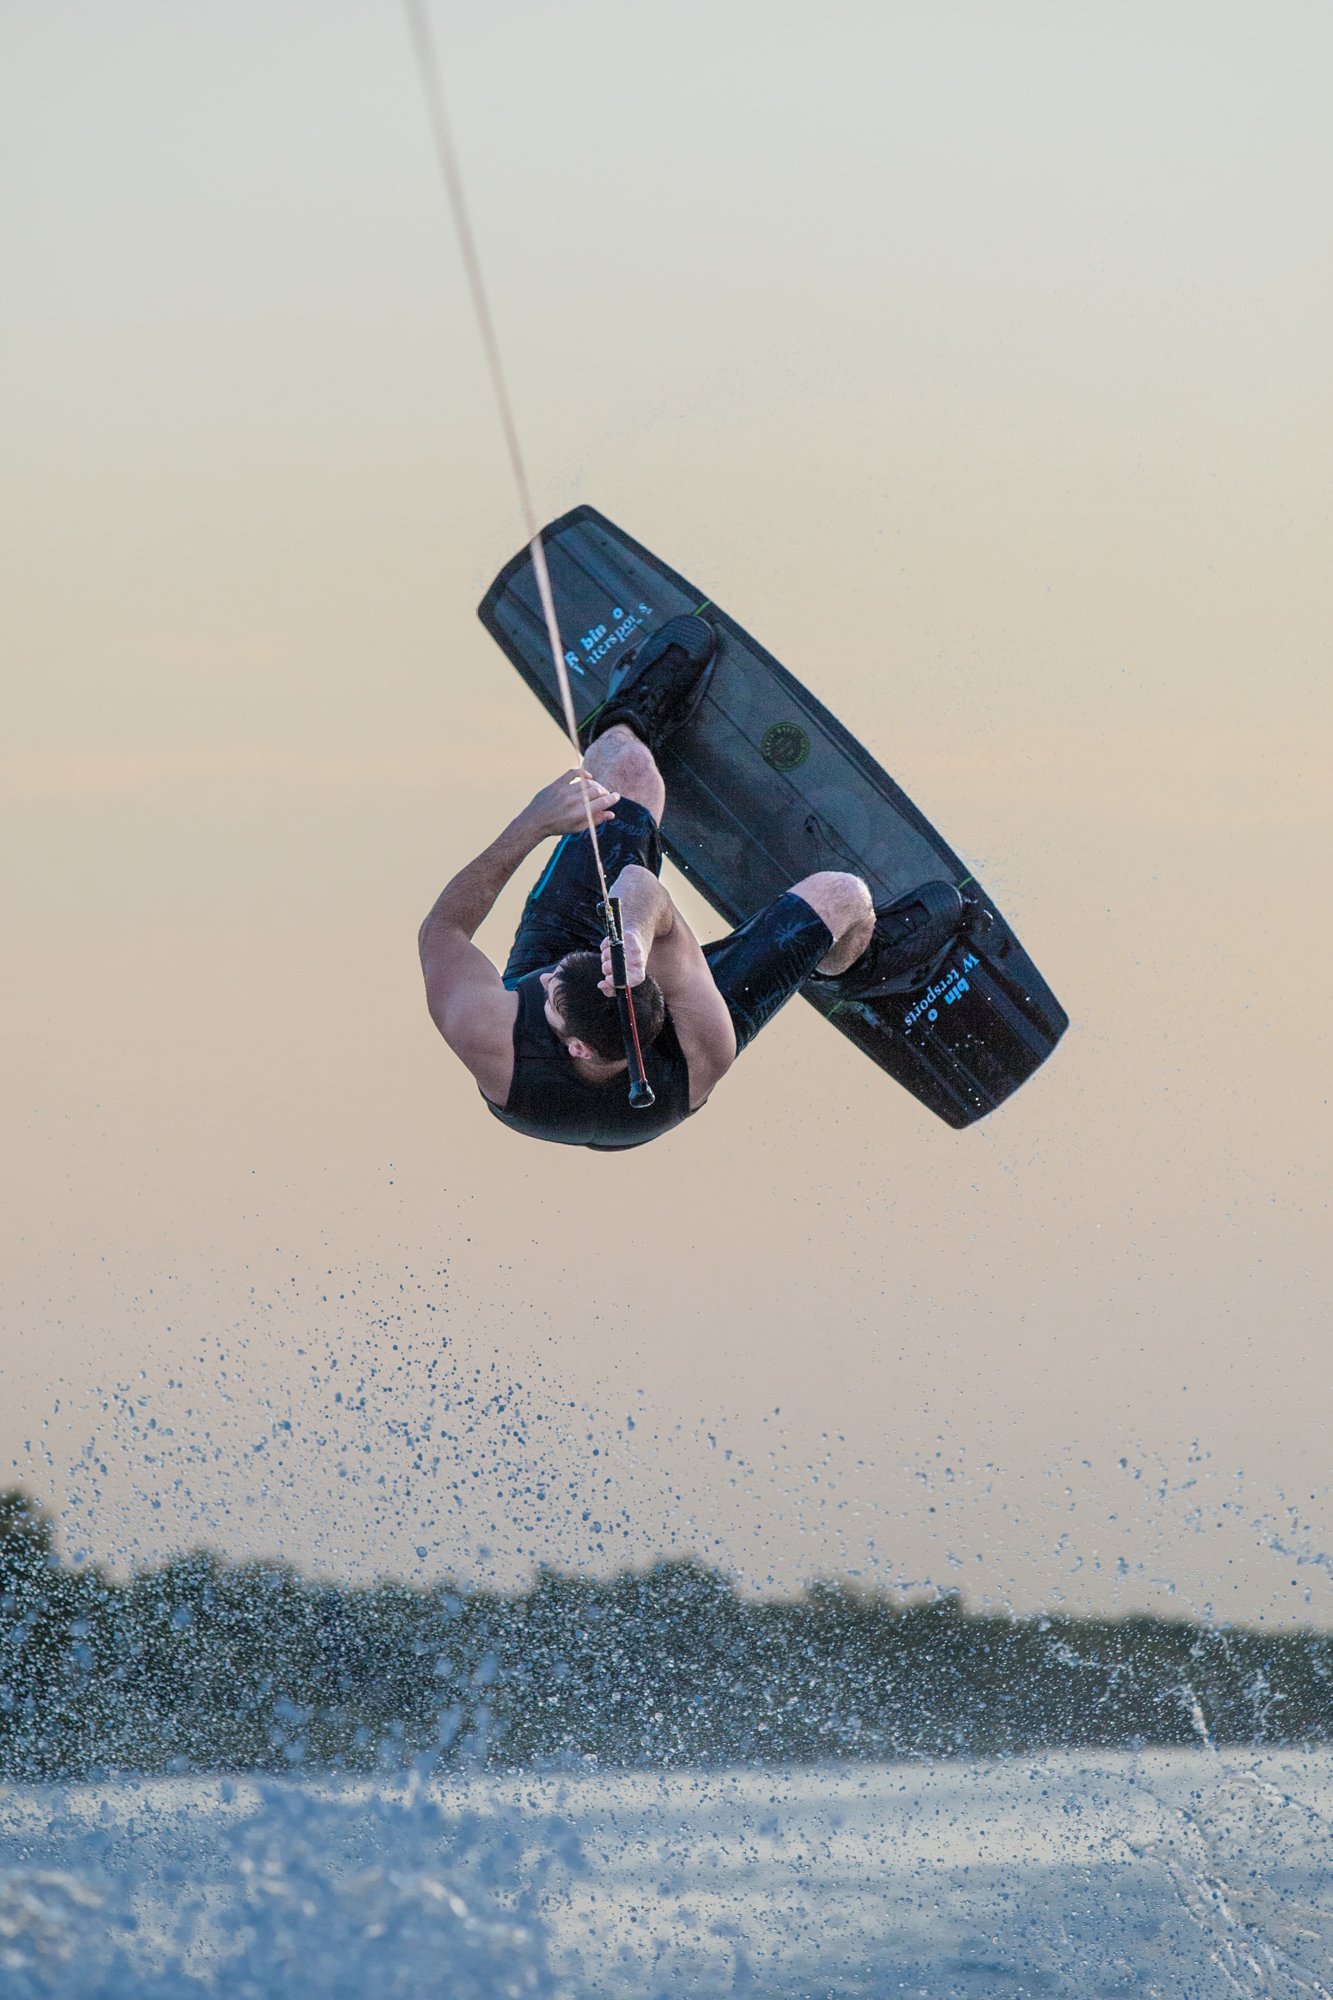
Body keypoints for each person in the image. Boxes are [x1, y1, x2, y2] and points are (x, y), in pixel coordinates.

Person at [418, 618, 963, 1149]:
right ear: (580, 1048)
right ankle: (854, 961)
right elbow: (648, 899)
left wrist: (535, 823)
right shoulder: (701, 1049)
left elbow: (442, 930)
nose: (544, 977)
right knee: (845, 895)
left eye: (555, 981)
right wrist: (635, 933)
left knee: (626, 771)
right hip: (670, 1025)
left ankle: (627, 719)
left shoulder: (490, 1025)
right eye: (555, 984)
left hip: (625, 975)